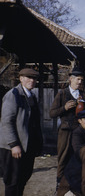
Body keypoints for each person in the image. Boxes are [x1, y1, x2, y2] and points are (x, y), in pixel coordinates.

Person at [0, 68, 43, 196]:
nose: (32, 80)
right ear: (21, 78)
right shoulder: (13, 95)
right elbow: (7, 122)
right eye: (28, 77)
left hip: (28, 146)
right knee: (13, 182)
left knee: (23, 179)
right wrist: (14, 144)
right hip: (14, 147)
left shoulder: (32, 96)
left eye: (34, 78)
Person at [49, 67, 85, 188]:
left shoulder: (84, 94)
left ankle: (74, 183)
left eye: (81, 80)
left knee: (78, 156)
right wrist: (64, 108)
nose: (80, 82)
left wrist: (84, 106)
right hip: (65, 131)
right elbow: (52, 113)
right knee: (63, 157)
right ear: (71, 79)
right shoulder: (62, 93)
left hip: (79, 131)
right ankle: (59, 184)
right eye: (78, 79)